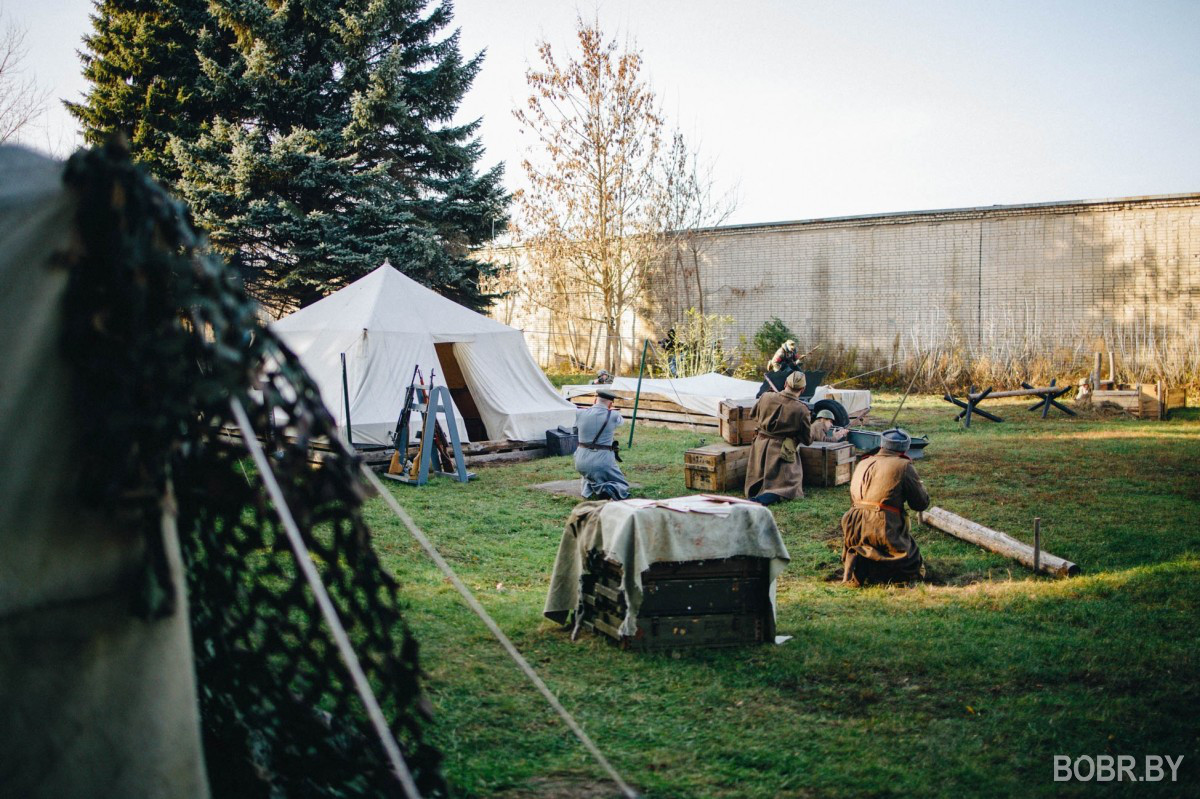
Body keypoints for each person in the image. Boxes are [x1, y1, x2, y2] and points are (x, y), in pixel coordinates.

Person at [840, 429, 931, 586]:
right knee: (911, 563)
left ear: (882, 445)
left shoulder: (863, 462)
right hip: (882, 526)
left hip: (853, 525)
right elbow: (920, 504)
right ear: (904, 448)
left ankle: (862, 562)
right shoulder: (903, 466)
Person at [744, 370, 812, 505]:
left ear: (786, 383)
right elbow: (807, 440)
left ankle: (757, 491)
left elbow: (753, 415)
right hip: (781, 450)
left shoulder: (765, 396)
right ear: (803, 389)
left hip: (760, 444)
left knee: (758, 477)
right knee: (790, 484)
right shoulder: (802, 409)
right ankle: (764, 499)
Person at [574, 389, 630, 500]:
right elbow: (621, 422)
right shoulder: (614, 415)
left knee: (589, 476)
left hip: (580, 461)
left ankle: (590, 491)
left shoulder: (579, 413)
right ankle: (607, 488)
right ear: (610, 404)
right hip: (603, 461)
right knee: (622, 485)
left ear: (595, 400)